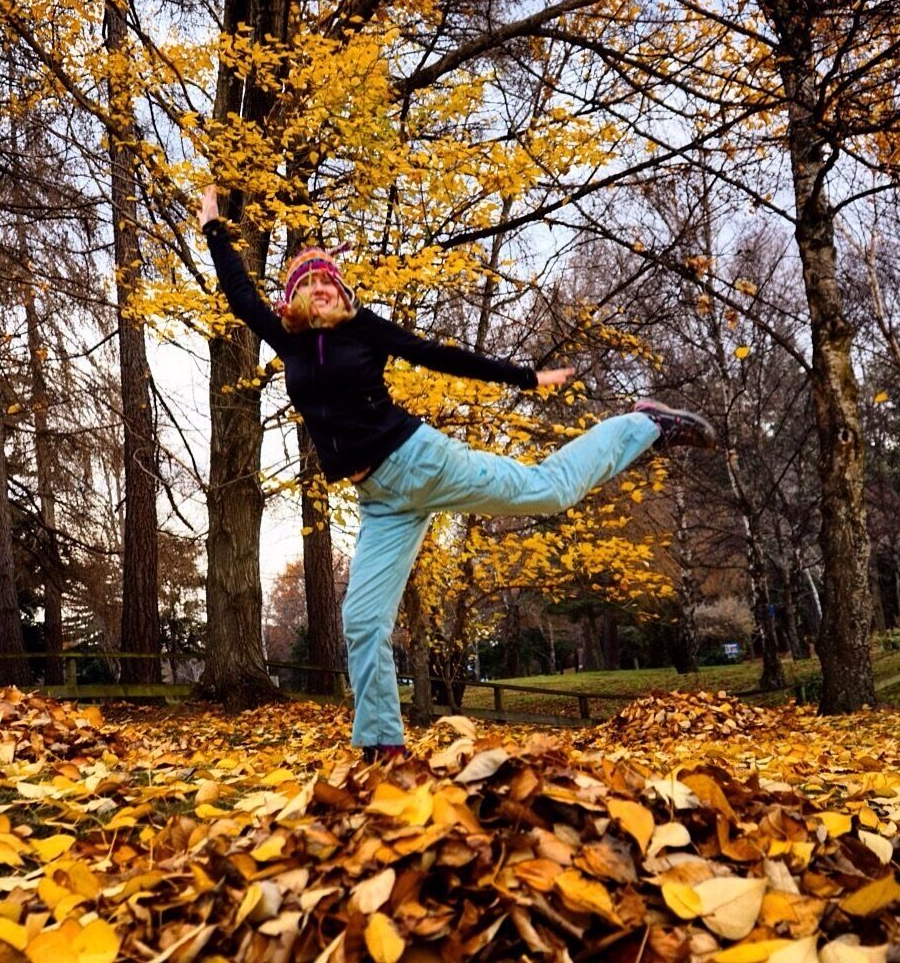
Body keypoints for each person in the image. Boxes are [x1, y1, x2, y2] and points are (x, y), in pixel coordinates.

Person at [198, 185, 716, 760]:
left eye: (330, 281)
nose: (321, 288)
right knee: (363, 621)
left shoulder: (363, 329)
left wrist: (524, 378)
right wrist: (215, 228)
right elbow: (241, 296)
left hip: (419, 461)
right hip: (381, 500)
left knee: (550, 490)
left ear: (340, 293)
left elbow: (438, 356)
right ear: (293, 298)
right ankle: (381, 748)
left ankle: (643, 426)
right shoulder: (288, 343)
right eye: (308, 283)